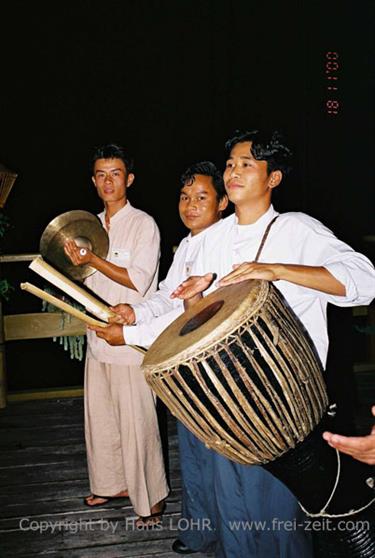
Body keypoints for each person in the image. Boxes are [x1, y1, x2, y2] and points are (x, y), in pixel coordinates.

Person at [170, 129, 375, 557]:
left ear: (274, 178)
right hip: (226, 396)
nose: (233, 172)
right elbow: (201, 323)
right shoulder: (211, 239)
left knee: (278, 515)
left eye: (247, 164)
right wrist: (193, 298)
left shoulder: (297, 229)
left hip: (284, 399)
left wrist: (277, 269)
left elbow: (365, 281)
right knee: (234, 512)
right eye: (229, 164)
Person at [89, 161, 228, 552]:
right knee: (195, 455)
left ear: (222, 203)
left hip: (216, 366)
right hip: (187, 365)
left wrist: (130, 331)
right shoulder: (187, 244)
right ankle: (200, 530)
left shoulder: (227, 243)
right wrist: (135, 313)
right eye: (185, 197)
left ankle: (229, 537)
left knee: (221, 458)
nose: (190, 205)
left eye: (202, 197)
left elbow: (192, 310)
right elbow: (168, 296)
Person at [64, 143, 168, 527]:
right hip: (97, 335)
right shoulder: (85, 227)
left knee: (138, 421)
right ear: (93, 181)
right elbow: (80, 279)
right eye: (101, 174)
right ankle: (111, 484)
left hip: (131, 338)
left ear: (129, 179)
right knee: (102, 419)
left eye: (116, 174)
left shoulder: (144, 224)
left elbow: (138, 281)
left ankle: (151, 499)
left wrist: (91, 259)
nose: (108, 181)